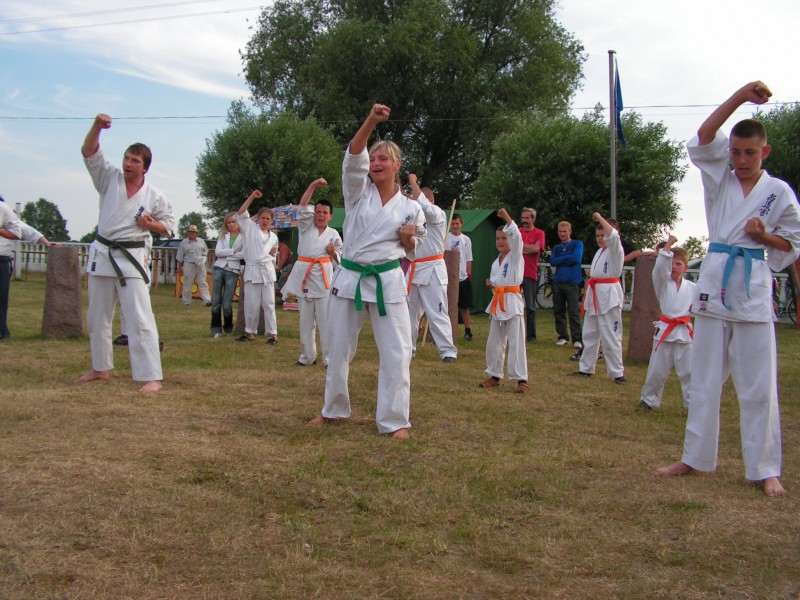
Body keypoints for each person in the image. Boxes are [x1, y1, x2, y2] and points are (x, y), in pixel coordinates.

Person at [655, 81, 800, 497]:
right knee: (703, 378)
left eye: (749, 153)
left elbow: (793, 244)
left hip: (752, 286)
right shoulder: (719, 177)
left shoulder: (779, 193)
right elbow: (705, 135)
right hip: (715, 281)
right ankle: (695, 458)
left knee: (759, 383)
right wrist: (740, 96)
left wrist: (764, 235)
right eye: (735, 152)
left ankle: (765, 469)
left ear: (765, 152)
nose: (741, 160)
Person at [308, 104, 425, 439]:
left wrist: (407, 239)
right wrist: (372, 120)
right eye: (373, 159)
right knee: (337, 348)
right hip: (350, 278)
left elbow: (414, 247)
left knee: (396, 351)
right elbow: (353, 157)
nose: (376, 163)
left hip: (387, 280)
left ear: (397, 165)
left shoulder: (411, 208)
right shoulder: (357, 192)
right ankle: (333, 409)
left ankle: (394, 420)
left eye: (383, 159)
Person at [74, 113, 175, 393]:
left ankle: (151, 376)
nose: (128, 164)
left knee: (140, 317)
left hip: (132, 259)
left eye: (135, 161)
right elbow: (89, 152)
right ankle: (100, 368)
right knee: (97, 317)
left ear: (145, 168)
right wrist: (97, 127)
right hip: (103, 253)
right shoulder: (109, 178)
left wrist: (149, 224)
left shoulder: (154, 195)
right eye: (126, 158)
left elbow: (168, 226)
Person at [281, 178, 343, 367]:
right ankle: (307, 357)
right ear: (313, 214)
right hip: (305, 278)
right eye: (318, 212)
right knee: (305, 322)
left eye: (325, 213)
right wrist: (314, 185)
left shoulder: (334, 234)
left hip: (323, 280)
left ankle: (329, 359)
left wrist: (333, 253)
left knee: (326, 322)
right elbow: (302, 205)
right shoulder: (305, 227)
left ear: (330, 216)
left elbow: (341, 259)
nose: (321, 215)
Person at [568, 212, 626, 384]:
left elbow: (613, 236)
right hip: (595, 294)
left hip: (609, 296)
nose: (600, 239)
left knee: (610, 335)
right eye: (598, 236)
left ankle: (617, 373)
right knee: (590, 333)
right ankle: (586, 368)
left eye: (603, 235)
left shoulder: (616, 249)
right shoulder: (600, 252)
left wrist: (600, 218)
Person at [638, 236, 695, 410]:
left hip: (684, 332)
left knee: (689, 371)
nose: (674, 267)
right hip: (665, 330)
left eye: (678, 264)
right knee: (657, 370)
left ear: (685, 267)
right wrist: (668, 245)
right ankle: (649, 400)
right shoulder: (662, 282)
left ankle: (692, 404)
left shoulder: (692, 288)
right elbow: (659, 268)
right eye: (671, 263)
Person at [406, 174, 457, 362]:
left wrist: (413, 182)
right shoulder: (413, 218)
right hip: (414, 268)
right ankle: (408, 349)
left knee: (437, 310)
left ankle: (447, 351)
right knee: (409, 313)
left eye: (418, 200)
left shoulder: (438, 214)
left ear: (429, 200)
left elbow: (424, 205)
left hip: (433, 267)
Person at [478, 209, 528, 393]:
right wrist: (492, 283)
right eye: (498, 238)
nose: (500, 241)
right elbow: (499, 279)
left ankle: (521, 379)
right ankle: (494, 375)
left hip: (512, 302)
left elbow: (517, 237)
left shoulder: (516, 255)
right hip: (498, 301)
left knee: (516, 341)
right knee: (494, 341)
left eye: (504, 238)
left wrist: (507, 218)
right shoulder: (496, 261)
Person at [235, 190, 279, 344]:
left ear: (271, 221)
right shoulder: (250, 229)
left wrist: (272, 255)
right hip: (253, 270)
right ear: (257, 218)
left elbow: (273, 257)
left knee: (269, 303)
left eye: (268, 218)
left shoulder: (273, 237)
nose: (265, 221)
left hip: (267, 272)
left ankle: (273, 334)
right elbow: (241, 213)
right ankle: (249, 332)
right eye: (263, 218)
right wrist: (252, 197)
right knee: (251, 304)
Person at [550, 220, 583, 349]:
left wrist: (561, 259)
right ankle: (563, 336)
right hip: (558, 281)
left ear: (570, 232)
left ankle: (577, 339)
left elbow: (576, 258)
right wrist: (568, 258)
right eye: (560, 231)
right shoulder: (557, 248)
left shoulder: (577, 244)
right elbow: (553, 261)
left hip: (572, 282)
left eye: (565, 231)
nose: (562, 234)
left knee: (573, 312)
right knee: (558, 311)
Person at [210, 212, 243, 338]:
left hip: (233, 271)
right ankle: (216, 329)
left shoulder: (244, 236)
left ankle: (228, 328)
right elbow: (218, 252)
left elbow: (243, 254)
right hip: (219, 268)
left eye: (233, 222)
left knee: (226, 303)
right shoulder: (223, 235)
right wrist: (233, 251)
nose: (231, 224)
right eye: (228, 222)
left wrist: (227, 254)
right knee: (216, 301)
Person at [446, 213, 474, 340]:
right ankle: (448, 329)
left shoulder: (466, 240)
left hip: (462, 277)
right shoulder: (446, 238)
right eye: (453, 224)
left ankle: (468, 330)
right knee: (449, 305)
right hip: (450, 278)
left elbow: (469, 258)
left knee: (465, 306)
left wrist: (468, 273)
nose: (455, 226)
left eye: (457, 223)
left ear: (461, 224)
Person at [520, 207, 546, 343]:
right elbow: (511, 247)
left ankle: (531, 336)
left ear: (533, 219)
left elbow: (537, 249)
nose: (524, 220)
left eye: (527, 218)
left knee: (530, 306)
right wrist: (527, 248)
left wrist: (520, 247)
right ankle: (515, 333)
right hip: (516, 273)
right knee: (513, 304)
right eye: (523, 218)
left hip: (530, 273)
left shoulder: (539, 233)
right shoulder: (518, 231)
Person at [0, 196, 22, 341]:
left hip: (1, 259)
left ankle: (2, 330)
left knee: (1, 297)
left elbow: (16, 233)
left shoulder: (2, 208)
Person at [176, 224, 212, 306]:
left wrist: (203, 256)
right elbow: (180, 256)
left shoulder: (201, 241)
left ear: (196, 233)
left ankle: (207, 301)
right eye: (190, 232)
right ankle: (186, 302)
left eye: (194, 232)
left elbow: (206, 250)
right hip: (188, 264)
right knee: (187, 283)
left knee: (202, 282)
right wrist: (179, 267)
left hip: (200, 264)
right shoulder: (184, 243)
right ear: (188, 233)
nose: (192, 233)